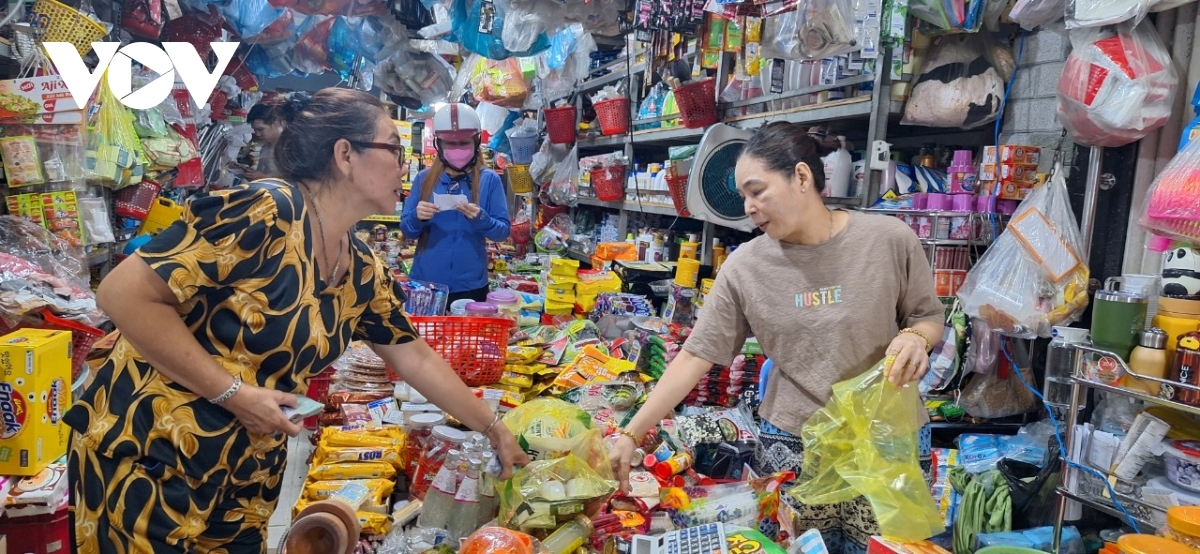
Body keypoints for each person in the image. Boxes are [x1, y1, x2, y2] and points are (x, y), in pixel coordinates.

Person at [66, 88, 529, 553]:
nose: (404, 165)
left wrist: (495, 430)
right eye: (394, 148)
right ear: (345, 155)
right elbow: (122, 294)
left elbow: (416, 357)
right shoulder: (268, 210)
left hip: (243, 476)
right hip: (152, 459)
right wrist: (233, 393)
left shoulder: (360, 267)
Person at [606, 122, 945, 554]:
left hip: (887, 441)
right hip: (795, 443)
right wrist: (631, 434)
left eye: (757, 191)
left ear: (801, 177)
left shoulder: (888, 240)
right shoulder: (745, 267)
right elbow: (695, 355)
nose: (748, 206)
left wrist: (916, 337)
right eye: (743, 196)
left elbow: (928, 317)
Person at [400, 103, 510, 305]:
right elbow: (407, 231)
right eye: (450, 144)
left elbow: (502, 232)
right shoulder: (424, 179)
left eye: (464, 143)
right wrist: (417, 217)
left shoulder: (489, 180)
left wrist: (481, 218)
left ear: (476, 142)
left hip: (471, 286)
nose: (457, 149)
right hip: (425, 284)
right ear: (438, 145)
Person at [240, 97, 295, 180]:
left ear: (275, 123)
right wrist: (249, 173)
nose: (257, 134)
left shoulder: (289, 147)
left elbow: (296, 181)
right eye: (255, 130)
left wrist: (263, 177)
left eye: (260, 129)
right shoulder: (267, 145)